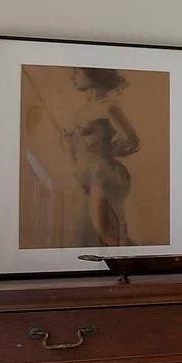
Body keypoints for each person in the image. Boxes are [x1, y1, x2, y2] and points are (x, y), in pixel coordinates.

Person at [61, 67, 143, 246]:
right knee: (83, 232)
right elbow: (78, 148)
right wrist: (71, 142)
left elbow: (132, 141)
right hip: (85, 178)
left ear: (94, 74)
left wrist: (105, 149)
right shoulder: (82, 111)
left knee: (105, 234)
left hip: (104, 175)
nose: (73, 77)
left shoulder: (108, 106)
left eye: (78, 72)